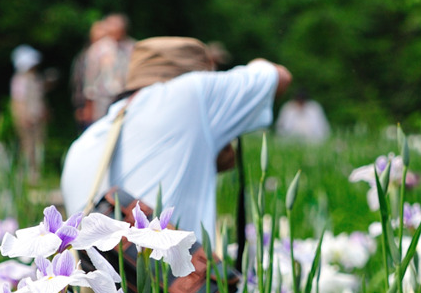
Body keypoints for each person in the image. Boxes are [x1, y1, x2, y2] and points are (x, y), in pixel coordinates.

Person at [61, 36, 291, 244]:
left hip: (87, 290)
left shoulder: (84, 141)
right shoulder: (190, 93)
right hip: (169, 287)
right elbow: (279, 77)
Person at [9, 45, 48, 182]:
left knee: (38, 145)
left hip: (36, 116)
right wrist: (22, 115)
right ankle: (28, 174)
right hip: (27, 117)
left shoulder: (34, 78)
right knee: (28, 146)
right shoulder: (20, 80)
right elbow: (18, 100)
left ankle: (36, 172)